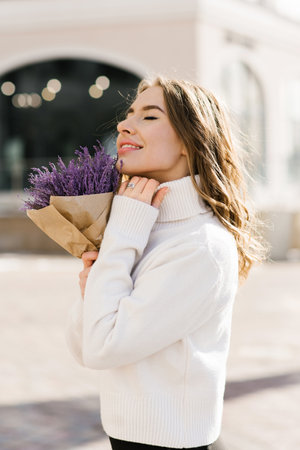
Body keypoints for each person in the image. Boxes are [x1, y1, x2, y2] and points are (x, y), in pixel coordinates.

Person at [65, 76, 265, 450]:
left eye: (150, 117)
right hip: (125, 439)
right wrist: (95, 286)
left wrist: (121, 238)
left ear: (190, 141)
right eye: (128, 115)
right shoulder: (137, 225)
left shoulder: (200, 245)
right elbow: (83, 348)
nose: (125, 125)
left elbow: (100, 348)